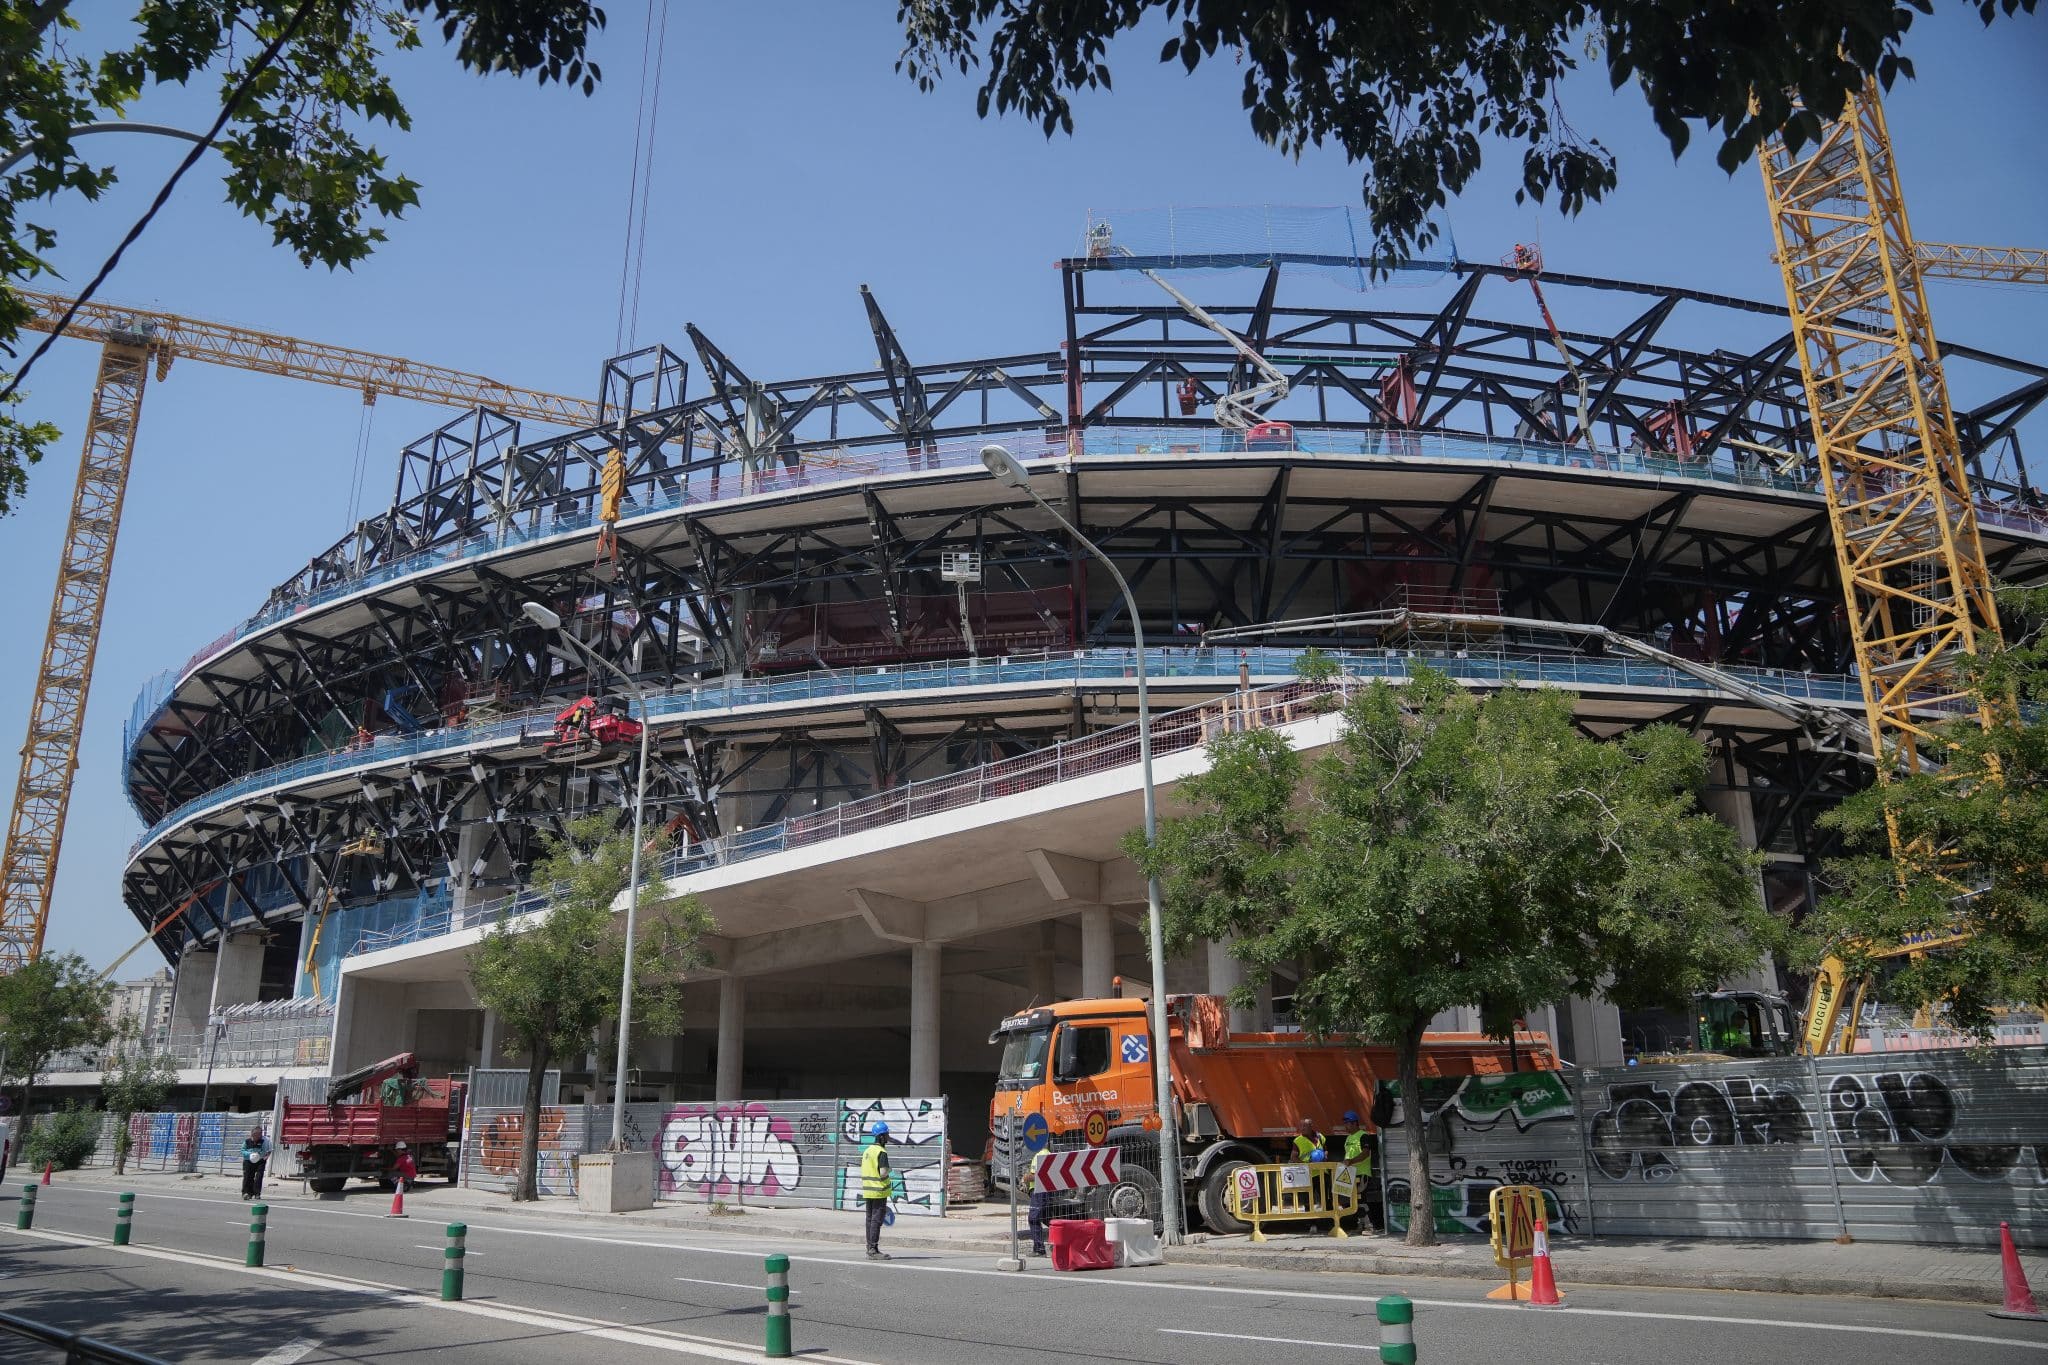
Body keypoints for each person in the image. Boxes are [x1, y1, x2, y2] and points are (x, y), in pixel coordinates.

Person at [1341, 1110, 1378, 1233]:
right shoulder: (1348, 1138)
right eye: (1344, 1123)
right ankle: (1360, 1225)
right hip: (1351, 1174)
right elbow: (1348, 1155)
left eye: (1347, 1123)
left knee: (1361, 1200)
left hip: (1362, 1174)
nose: (1345, 1126)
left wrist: (1351, 1161)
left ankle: (1369, 1226)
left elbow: (1365, 1154)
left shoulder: (1363, 1136)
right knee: (1354, 1201)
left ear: (1354, 1123)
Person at [860, 1121, 893, 1260]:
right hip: (879, 1191)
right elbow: (883, 1173)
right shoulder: (881, 1152)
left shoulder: (867, 1151)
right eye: (886, 1135)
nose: (888, 1137)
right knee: (876, 1220)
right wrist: (889, 1170)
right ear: (881, 1137)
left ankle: (870, 1247)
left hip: (868, 1191)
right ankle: (873, 1249)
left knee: (869, 1219)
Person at [1026, 1147, 1053, 1257]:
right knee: (1047, 1218)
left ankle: (1039, 1249)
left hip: (1039, 1191)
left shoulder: (1040, 1155)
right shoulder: (1047, 1153)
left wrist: (1027, 1177)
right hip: (1043, 1191)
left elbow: (1040, 1176)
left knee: (1033, 1218)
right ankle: (1061, 1240)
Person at [240, 1128, 268, 1200]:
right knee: (248, 1177)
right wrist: (250, 1154)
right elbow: (242, 1151)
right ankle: (246, 1193)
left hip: (259, 1161)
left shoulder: (262, 1142)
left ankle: (257, 1193)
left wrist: (258, 1155)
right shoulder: (247, 1142)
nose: (259, 1137)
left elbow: (264, 1151)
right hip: (248, 1161)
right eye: (257, 1135)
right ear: (253, 1134)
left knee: (259, 1177)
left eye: (260, 1135)